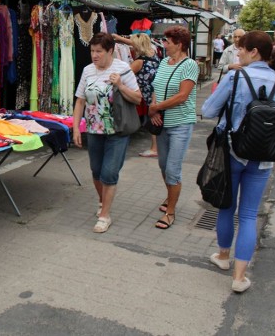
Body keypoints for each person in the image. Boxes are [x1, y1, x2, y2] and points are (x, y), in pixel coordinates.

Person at [202, 30, 275, 293]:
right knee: (249, 214)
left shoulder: (235, 77)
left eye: (241, 48)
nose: (238, 52)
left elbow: (208, 110)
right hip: (263, 158)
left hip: (231, 151)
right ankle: (239, 277)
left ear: (254, 52)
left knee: (226, 207)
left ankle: (222, 256)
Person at [72, 32, 142, 233]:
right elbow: (80, 100)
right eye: (92, 51)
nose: (95, 55)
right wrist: (77, 127)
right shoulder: (87, 70)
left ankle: (105, 215)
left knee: (109, 173)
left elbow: (138, 98)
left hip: (117, 130)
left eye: (99, 51)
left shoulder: (122, 69)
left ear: (110, 51)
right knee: (96, 171)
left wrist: (119, 85)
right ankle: (103, 201)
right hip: (94, 130)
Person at [148, 25, 199, 229]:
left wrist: (156, 107)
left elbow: (182, 96)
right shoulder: (163, 63)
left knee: (173, 169)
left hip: (180, 123)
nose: (164, 44)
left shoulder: (190, 65)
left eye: (167, 41)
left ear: (179, 44)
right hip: (162, 123)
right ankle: (170, 197)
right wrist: (153, 110)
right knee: (163, 165)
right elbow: (156, 88)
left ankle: (170, 212)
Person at [113, 33, 160, 157]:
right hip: (155, 90)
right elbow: (135, 43)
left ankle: (154, 148)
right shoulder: (153, 52)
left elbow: (123, 74)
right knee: (155, 118)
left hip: (147, 93)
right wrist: (119, 38)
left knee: (153, 118)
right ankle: (157, 147)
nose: (132, 47)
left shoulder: (139, 62)